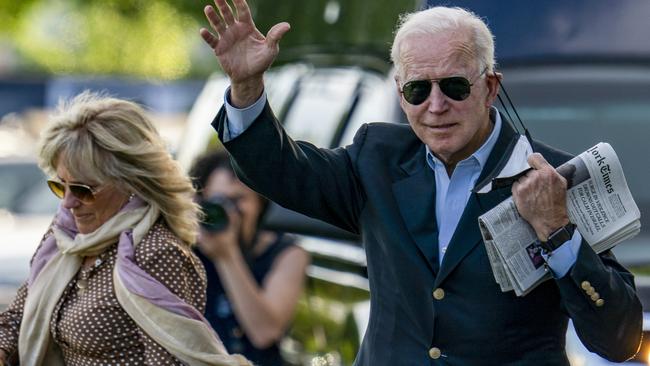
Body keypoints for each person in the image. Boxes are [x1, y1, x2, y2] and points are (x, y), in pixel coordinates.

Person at [199, 1, 642, 365]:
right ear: (399, 93)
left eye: (454, 87)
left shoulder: (555, 180)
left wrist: (557, 231)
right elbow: (279, 170)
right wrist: (246, 86)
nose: (435, 106)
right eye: (417, 90)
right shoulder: (377, 157)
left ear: (490, 87)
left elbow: (618, 339)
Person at [0, 92, 250, 366]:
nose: (69, 203)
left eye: (84, 190)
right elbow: (18, 316)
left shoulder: (157, 253)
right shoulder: (65, 234)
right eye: (60, 185)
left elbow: (172, 361)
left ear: (131, 183)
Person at [190, 149, 309, 366]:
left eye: (238, 200)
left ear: (260, 204)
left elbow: (265, 333)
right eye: (219, 201)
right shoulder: (189, 247)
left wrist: (227, 256)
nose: (229, 211)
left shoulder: (287, 254)